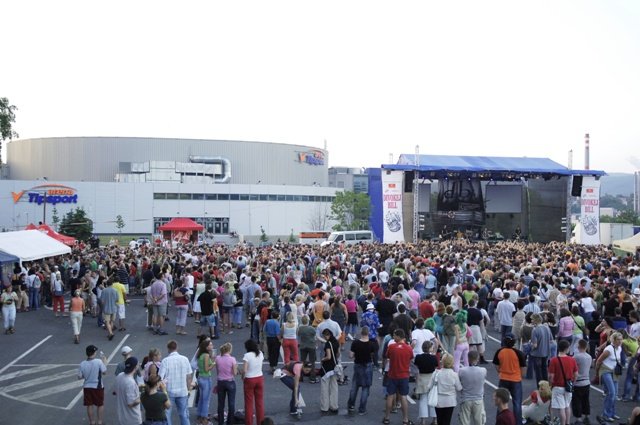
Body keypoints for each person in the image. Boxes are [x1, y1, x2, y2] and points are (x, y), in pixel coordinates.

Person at [382, 328, 414, 425]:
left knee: (390, 396)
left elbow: (387, 356)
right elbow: (411, 358)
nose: (393, 337)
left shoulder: (391, 347)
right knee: (403, 397)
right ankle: (405, 419)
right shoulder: (408, 348)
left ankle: (387, 417)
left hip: (393, 375)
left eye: (394, 335)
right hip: (404, 375)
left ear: (399, 336)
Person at [493, 333, 526, 425]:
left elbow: (496, 365)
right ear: (514, 342)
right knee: (517, 403)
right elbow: (523, 369)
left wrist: (501, 372)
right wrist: (520, 376)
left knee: (500, 401)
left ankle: (499, 422)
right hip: (515, 380)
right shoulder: (519, 353)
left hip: (503, 379)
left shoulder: (500, 351)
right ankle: (518, 422)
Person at [159, 340, 194, 425]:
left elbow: (160, 378)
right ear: (177, 347)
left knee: (167, 414)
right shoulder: (185, 359)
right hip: (183, 391)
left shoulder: (165, 361)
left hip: (169, 391)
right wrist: (188, 389)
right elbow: (189, 376)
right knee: (184, 414)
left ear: (168, 348)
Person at [425, 353, 462, 425]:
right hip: (450, 401)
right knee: (447, 421)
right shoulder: (454, 375)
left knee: (439, 421)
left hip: (439, 401)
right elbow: (459, 388)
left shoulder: (436, 373)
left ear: (442, 362)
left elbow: (429, 386)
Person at [596, 332, 624, 423]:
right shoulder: (609, 349)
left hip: (614, 372)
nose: (620, 341)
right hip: (606, 371)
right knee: (611, 393)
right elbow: (599, 361)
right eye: (618, 339)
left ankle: (612, 413)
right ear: (613, 340)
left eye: (621, 339)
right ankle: (606, 415)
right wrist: (597, 373)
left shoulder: (619, 348)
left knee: (615, 394)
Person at [347, 325, 376, 415]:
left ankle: (351, 405)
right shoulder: (371, 344)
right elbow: (373, 355)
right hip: (367, 366)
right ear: (368, 333)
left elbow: (351, 355)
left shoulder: (355, 343)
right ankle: (362, 409)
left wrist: (355, 355)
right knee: (365, 388)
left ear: (361, 333)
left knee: (354, 386)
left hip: (358, 365)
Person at [548, 339, 578, 425]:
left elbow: (551, 376)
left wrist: (550, 385)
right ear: (567, 349)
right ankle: (567, 423)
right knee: (567, 406)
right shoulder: (572, 360)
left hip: (557, 386)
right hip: (568, 386)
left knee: (561, 408)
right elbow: (576, 374)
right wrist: (573, 383)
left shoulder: (553, 360)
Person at [78, 345, 107, 425]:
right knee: (100, 404)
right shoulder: (98, 361)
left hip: (87, 387)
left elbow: (79, 377)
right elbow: (104, 372)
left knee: (89, 405)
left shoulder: (82, 364)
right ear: (94, 353)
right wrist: (104, 362)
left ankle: (92, 422)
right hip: (97, 387)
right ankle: (100, 422)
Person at [458, 350, 487, 425]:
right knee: (479, 422)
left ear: (468, 359)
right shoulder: (483, 370)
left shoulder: (462, 371)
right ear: (478, 358)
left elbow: (459, 382)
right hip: (478, 399)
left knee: (464, 422)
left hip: (466, 399)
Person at [414, 340, 438, 425]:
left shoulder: (418, 357)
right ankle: (435, 420)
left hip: (422, 378)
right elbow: (436, 367)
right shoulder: (434, 358)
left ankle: (423, 420)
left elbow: (417, 366)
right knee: (433, 400)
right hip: (431, 378)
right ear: (430, 348)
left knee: (423, 400)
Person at [242, 339, 265, 425]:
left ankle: (249, 422)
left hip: (249, 379)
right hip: (259, 378)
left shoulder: (247, 356)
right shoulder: (260, 353)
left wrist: (242, 377)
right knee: (259, 402)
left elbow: (244, 370)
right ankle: (261, 422)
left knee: (249, 403)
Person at [115, 356, 142, 425]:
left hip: (122, 418)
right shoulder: (130, 382)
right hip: (133, 420)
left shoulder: (120, 376)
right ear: (136, 367)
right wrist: (141, 398)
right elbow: (130, 404)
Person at [215, 342, 238, 425]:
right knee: (231, 404)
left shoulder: (218, 358)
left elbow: (218, 371)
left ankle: (220, 422)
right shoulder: (232, 359)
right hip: (230, 381)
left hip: (221, 382)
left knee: (221, 404)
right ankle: (230, 422)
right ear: (229, 350)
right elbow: (235, 373)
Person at [572, 339, 592, 425]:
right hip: (587, 382)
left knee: (577, 401)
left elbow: (572, 368)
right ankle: (586, 417)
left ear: (578, 346)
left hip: (578, 382)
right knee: (586, 400)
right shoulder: (589, 357)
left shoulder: (576, 357)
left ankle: (578, 419)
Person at [320, 328, 340, 414]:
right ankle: (334, 406)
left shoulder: (328, 344)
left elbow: (328, 357)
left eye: (324, 336)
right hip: (334, 367)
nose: (324, 338)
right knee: (334, 387)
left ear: (327, 335)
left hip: (327, 367)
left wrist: (322, 359)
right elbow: (338, 354)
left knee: (325, 387)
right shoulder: (336, 342)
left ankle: (325, 407)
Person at [196, 338, 216, 425]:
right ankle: (204, 419)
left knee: (201, 398)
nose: (212, 346)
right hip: (206, 378)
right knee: (206, 400)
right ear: (206, 347)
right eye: (210, 345)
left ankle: (200, 415)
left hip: (200, 377)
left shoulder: (201, 355)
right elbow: (207, 369)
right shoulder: (206, 356)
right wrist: (214, 363)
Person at [529, 313, 553, 383]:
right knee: (544, 369)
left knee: (538, 372)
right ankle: (546, 385)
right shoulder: (547, 328)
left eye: (532, 319)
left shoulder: (535, 330)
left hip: (537, 354)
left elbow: (535, 345)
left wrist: (530, 345)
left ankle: (540, 386)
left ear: (536, 320)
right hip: (546, 352)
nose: (531, 321)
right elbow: (551, 340)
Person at [297, 315, 318, 383]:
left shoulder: (300, 328)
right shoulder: (311, 328)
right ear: (308, 321)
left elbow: (298, 335)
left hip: (303, 346)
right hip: (311, 346)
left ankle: (300, 377)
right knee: (312, 362)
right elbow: (315, 336)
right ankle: (312, 378)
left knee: (302, 361)